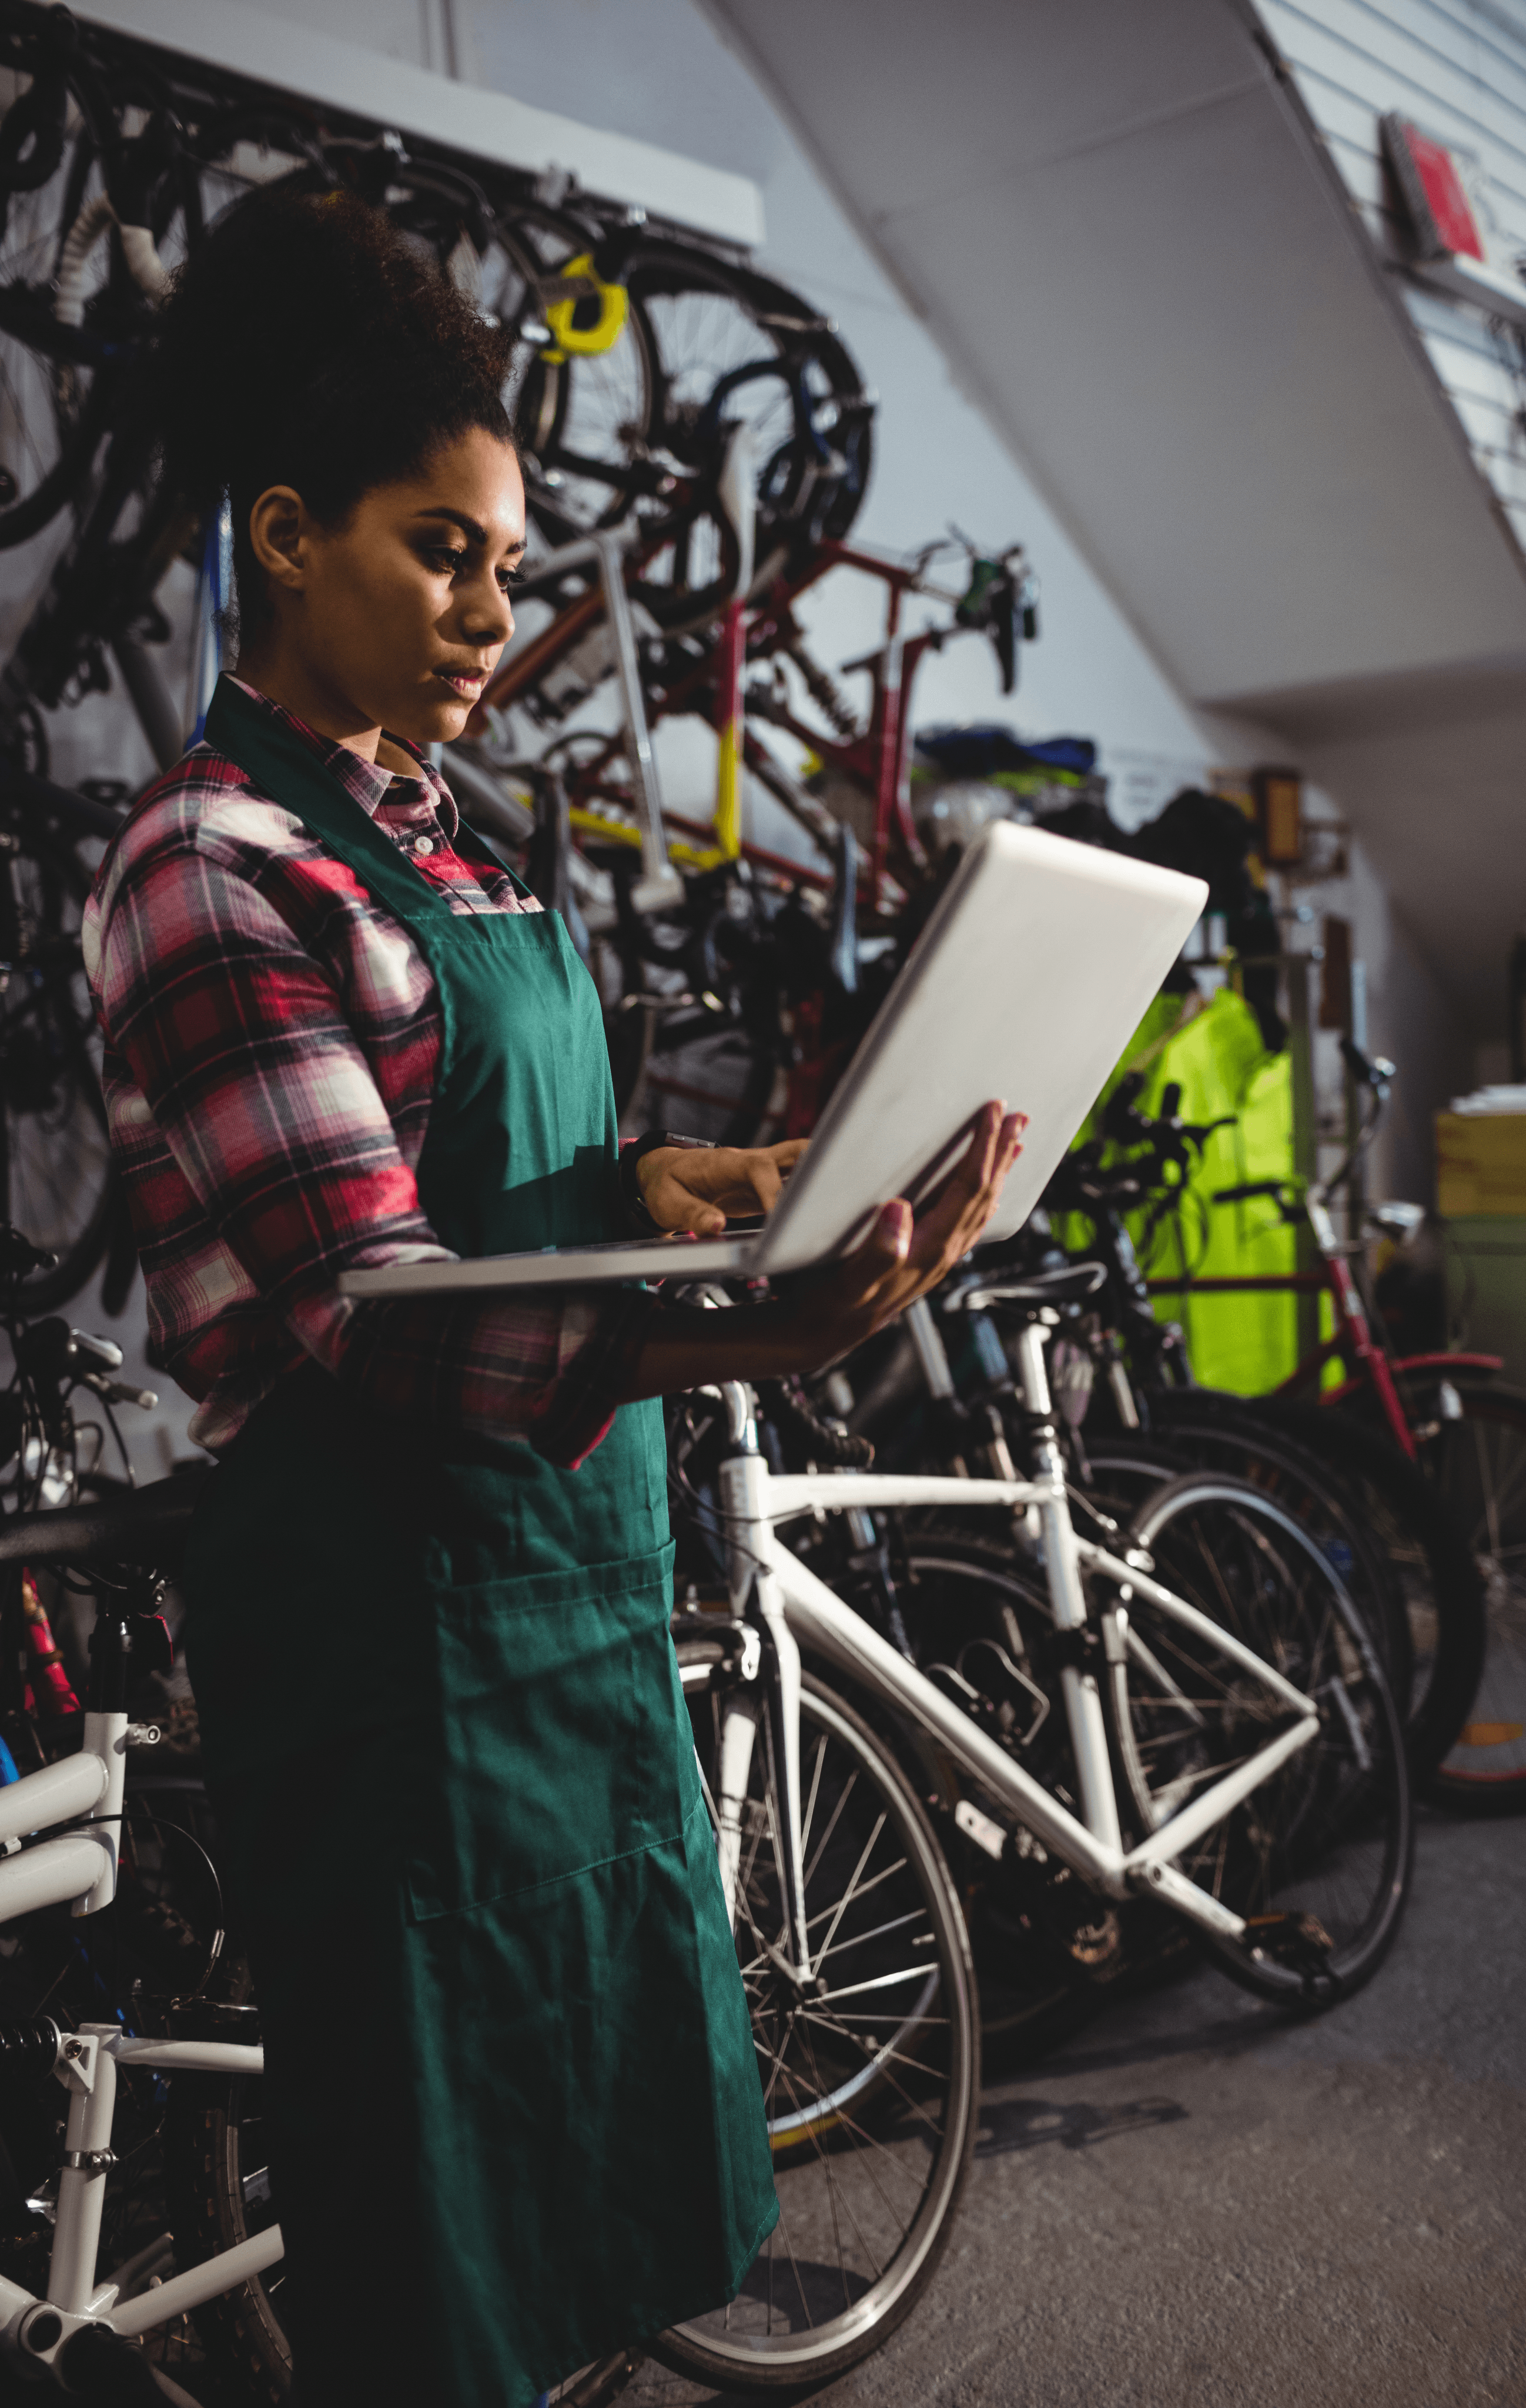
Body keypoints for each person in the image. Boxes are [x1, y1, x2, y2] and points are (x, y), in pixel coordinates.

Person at [82, 190, 1023, 2408]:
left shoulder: (458, 834)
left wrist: (683, 1189)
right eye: (443, 553)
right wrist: (744, 1331)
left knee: (588, 2184)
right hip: (387, 1632)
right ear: (291, 537)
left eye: (509, 563)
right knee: (438, 2241)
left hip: (565, 1594)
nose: (494, 610)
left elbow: (501, 1184)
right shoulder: (209, 871)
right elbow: (378, 1312)